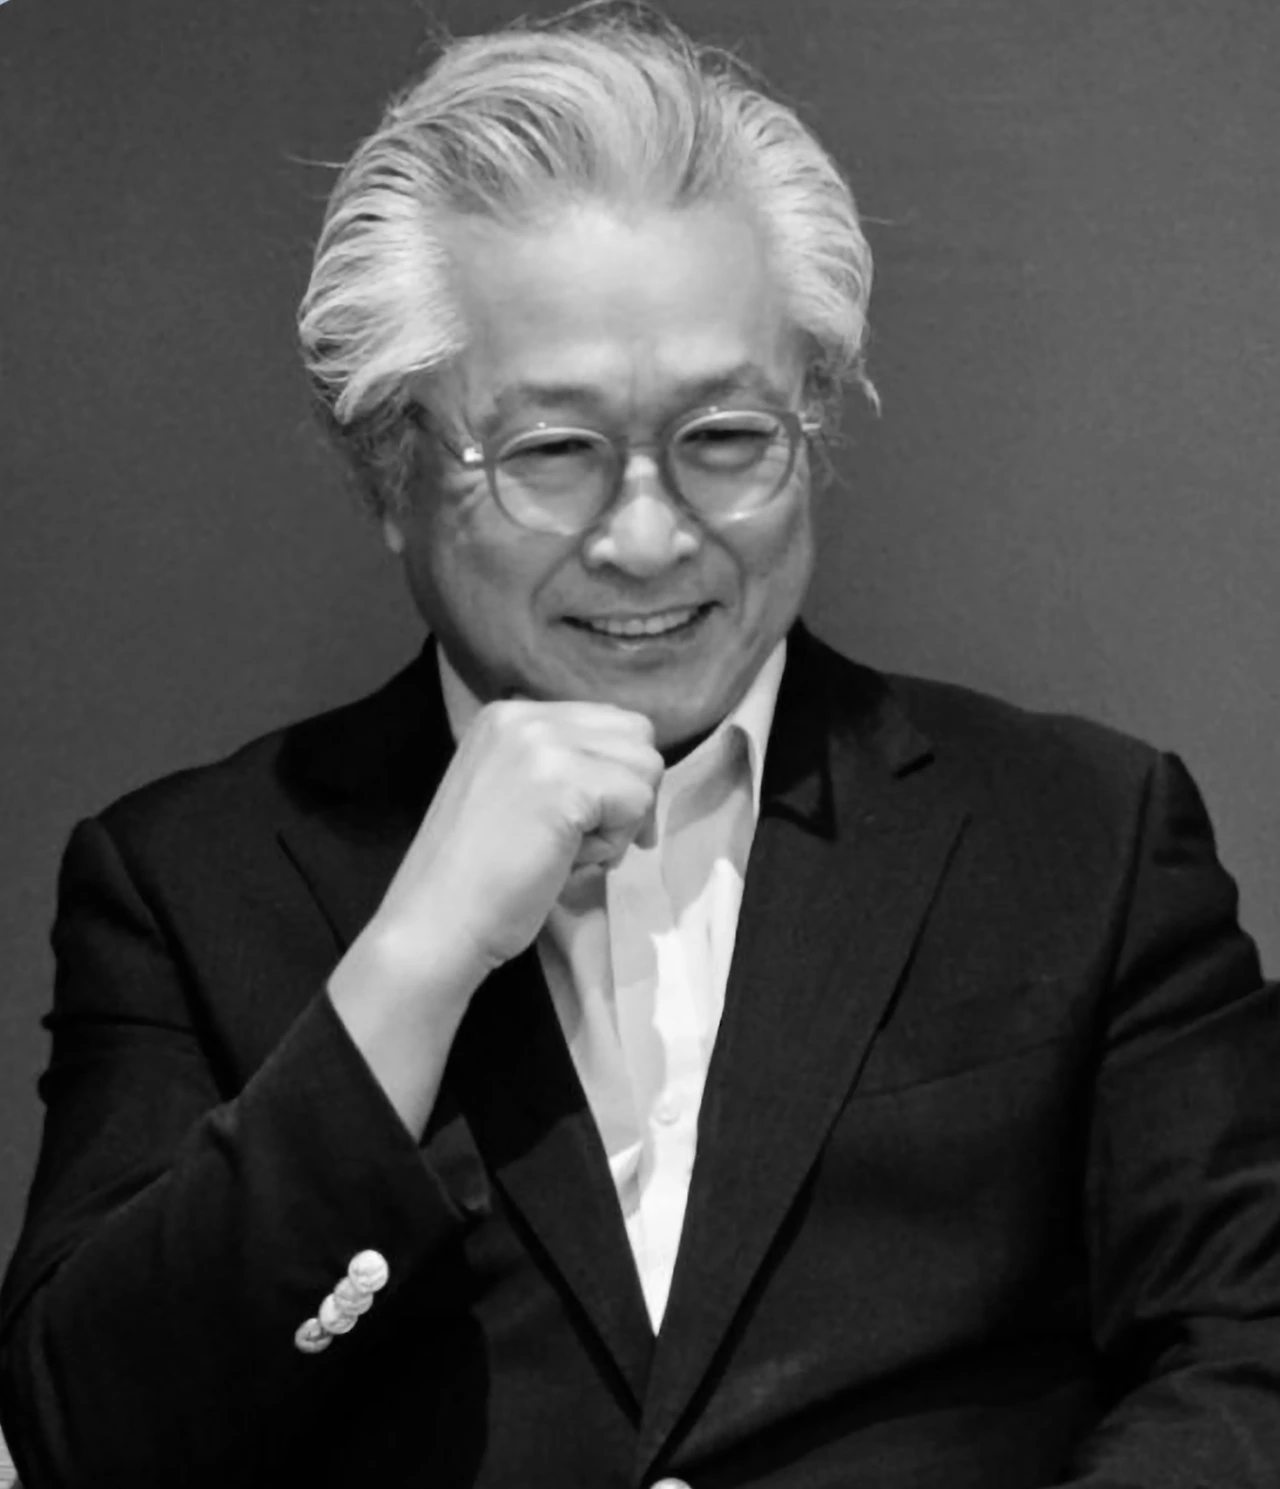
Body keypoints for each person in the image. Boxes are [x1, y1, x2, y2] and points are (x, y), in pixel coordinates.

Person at [3, 2, 1279, 1485]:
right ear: (389, 470)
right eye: (553, 452)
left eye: (726, 437)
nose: (651, 535)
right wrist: (412, 963)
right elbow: (80, 1439)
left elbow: (1245, 1351)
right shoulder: (185, 883)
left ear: (813, 422)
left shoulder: (1081, 833)